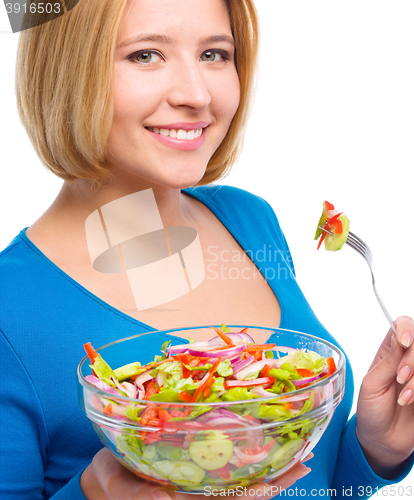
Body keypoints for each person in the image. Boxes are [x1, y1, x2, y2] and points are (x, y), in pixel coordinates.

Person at [0, 0, 413, 499]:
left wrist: (375, 448)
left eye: (215, 54)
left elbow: (306, 485)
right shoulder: (11, 307)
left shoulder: (249, 220)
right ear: (65, 70)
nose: (197, 94)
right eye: (146, 55)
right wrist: (91, 493)